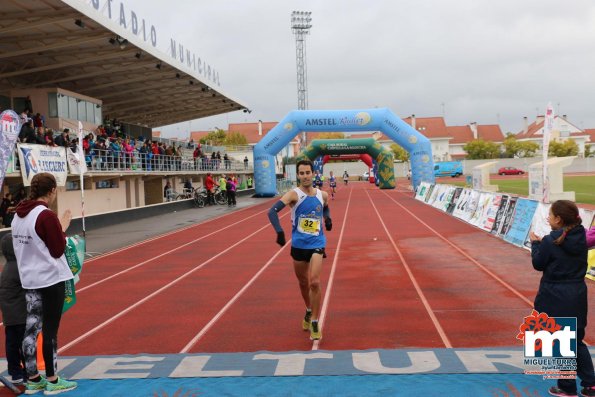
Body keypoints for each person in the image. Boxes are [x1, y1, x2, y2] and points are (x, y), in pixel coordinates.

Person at [11, 173, 77, 394]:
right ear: (51, 191)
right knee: (50, 330)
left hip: (29, 279)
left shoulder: (18, 216)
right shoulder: (46, 216)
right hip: (50, 279)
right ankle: (52, 379)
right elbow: (57, 249)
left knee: (31, 329)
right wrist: (63, 227)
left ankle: (33, 378)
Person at [529, 200, 595, 397]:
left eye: (550, 215)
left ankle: (567, 387)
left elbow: (539, 264)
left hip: (554, 294)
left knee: (560, 340)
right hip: (576, 294)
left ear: (558, 219)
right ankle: (591, 384)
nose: (548, 219)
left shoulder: (550, 240)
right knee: (576, 340)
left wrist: (535, 244)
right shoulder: (582, 237)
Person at [267, 159, 332, 341]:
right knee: (303, 283)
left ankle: (315, 321)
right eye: (301, 173)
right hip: (298, 245)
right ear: (298, 175)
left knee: (315, 282)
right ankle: (308, 309)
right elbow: (271, 212)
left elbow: (325, 208)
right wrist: (279, 232)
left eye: (307, 172)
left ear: (313, 173)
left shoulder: (322, 195)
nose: (305, 176)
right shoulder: (293, 195)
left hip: (317, 242)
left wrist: (327, 219)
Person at [0, 233, 26, 385]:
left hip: (9, 314)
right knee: (23, 344)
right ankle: (24, 371)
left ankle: (14, 370)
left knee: (12, 343)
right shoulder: (18, 268)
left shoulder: (7, 268)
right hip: (20, 314)